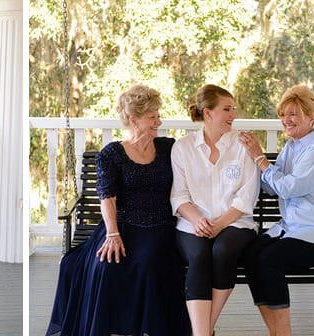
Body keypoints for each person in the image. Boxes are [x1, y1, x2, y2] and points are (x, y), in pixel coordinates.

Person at [44, 84, 191, 335]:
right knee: (104, 265)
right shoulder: (112, 153)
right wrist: (112, 234)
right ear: (134, 120)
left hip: (160, 226)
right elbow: (107, 196)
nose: (159, 121)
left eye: (158, 114)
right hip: (121, 226)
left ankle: (147, 327)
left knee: (148, 264)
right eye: (152, 116)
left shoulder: (168, 148)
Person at [236, 85, 314, 336]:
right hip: (292, 228)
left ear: (311, 117)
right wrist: (246, 163)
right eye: (283, 114)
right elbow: (272, 186)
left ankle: (283, 333)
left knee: (268, 259)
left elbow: (290, 188)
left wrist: (260, 158)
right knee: (250, 255)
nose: (286, 120)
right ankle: (275, 331)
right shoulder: (293, 146)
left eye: (293, 114)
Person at [169, 84, 260, 336]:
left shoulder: (243, 145)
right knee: (199, 256)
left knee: (223, 250)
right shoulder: (183, 147)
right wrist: (198, 220)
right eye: (226, 109)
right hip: (192, 224)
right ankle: (203, 332)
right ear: (207, 113)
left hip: (235, 223)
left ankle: (203, 330)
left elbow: (246, 196)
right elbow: (179, 195)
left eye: (234, 109)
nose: (233, 115)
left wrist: (219, 225)